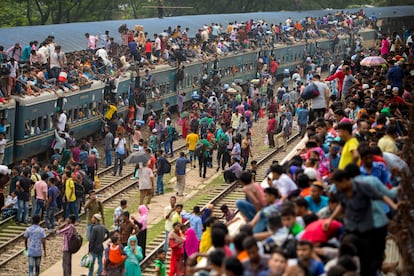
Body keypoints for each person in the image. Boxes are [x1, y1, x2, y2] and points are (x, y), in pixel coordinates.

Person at [324, 169, 398, 276]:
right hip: (352, 227)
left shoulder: (362, 187)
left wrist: (393, 206)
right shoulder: (341, 192)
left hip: (367, 228)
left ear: (344, 180)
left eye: (338, 184)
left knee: (371, 258)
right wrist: (330, 219)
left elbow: (381, 196)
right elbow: (342, 205)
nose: (337, 187)